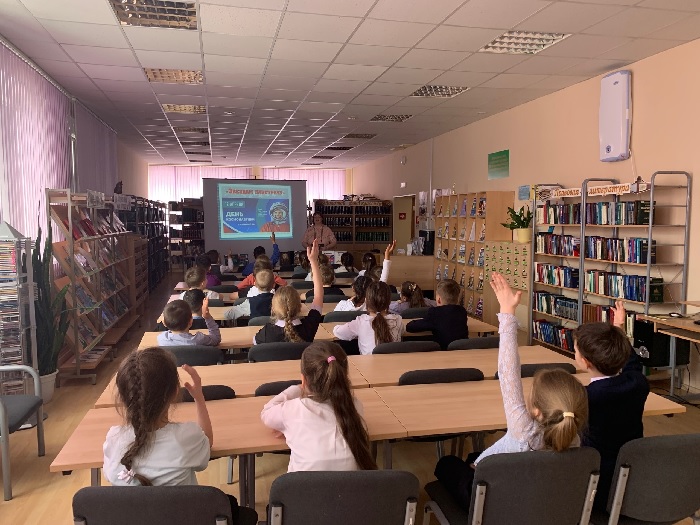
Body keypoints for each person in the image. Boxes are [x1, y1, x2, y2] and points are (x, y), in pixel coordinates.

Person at [433, 273, 588, 511]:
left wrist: (507, 313)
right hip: (539, 501)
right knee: (474, 457)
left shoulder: (523, 429)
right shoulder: (574, 438)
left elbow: (508, 373)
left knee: (446, 463)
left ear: (536, 411)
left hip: (490, 501)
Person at [574, 301, 649, 511]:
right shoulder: (638, 383)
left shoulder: (586, 397)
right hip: (631, 480)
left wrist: (618, 329)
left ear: (585, 362)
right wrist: (618, 328)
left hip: (595, 486)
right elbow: (632, 362)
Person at [103, 348, 213, 485]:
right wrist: (199, 398)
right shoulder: (187, 437)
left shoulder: (113, 439)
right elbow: (207, 442)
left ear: (123, 397)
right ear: (175, 392)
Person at [260, 341, 376, 471]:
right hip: (352, 484)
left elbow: (266, 412)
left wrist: (298, 388)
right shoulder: (355, 405)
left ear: (304, 380)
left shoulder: (293, 410)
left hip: (302, 484)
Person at [254, 239, 324, 344]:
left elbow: (255, 345)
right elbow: (319, 295)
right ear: (300, 306)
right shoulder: (308, 327)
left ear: (273, 308)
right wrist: (313, 261)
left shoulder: (265, 333)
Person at [332, 281, 403, 355]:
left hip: (368, 362)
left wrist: (336, 327)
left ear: (366, 300)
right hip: (394, 362)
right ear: (389, 302)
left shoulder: (361, 322)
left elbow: (338, 332)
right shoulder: (398, 320)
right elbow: (402, 331)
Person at [405, 279, 467, 349]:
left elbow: (410, 327)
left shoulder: (435, 313)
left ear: (439, 299)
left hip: (443, 351)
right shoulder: (462, 311)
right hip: (463, 350)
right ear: (457, 299)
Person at [157, 299, 221, 347]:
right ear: (191, 321)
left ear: (164, 323)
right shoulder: (199, 339)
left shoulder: (162, 339)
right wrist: (207, 317)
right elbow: (216, 339)